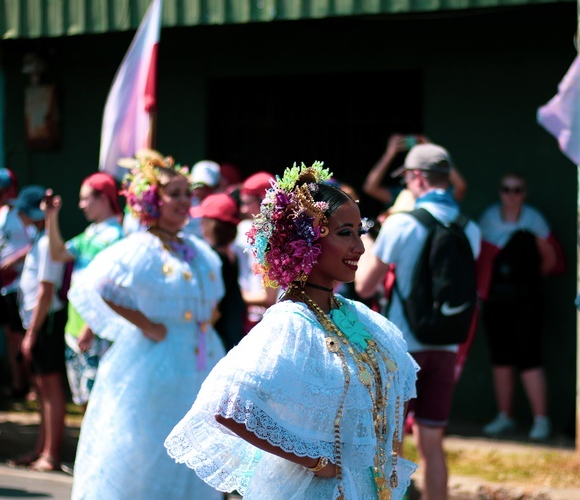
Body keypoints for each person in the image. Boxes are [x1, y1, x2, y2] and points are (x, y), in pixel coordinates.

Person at [166, 162, 419, 499]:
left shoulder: (358, 316)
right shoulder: (290, 322)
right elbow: (226, 406)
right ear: (306, 241)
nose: (359, 246)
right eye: (346, 233)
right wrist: (314, 461)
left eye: (361, 231)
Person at [67, 158, 226, 499]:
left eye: (187, 193)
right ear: (153, 200)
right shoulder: (141, 248)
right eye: (174, 194)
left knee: (198, 441)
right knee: (149, 442)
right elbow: (100, 286)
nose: (185, 201)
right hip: (156, 362)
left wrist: (203, 319)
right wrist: (146, 324)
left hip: (200, 359)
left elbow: (211, 300)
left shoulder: (198, 250)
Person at [355, 144, 481, 500]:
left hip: (403, 348)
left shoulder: (400, 224)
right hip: (446, 345)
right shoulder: (469, 228)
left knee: (391, 445)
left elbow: (365, 285)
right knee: (432, 442)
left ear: (418, 178)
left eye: (408, 178)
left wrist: (365, 237)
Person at [478, 172, 556, 441]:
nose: (511, 195)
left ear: (524, 192)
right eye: (506, 189)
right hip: (496, 300)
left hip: (527, 301)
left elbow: (550, 258)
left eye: (517, 190)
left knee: (529, 357)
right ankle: (505, 416)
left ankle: (541, 421)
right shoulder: (488, 218)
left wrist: (527, 285)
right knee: (501, 358)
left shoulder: (534, 220)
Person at [42, 173, 124, 409]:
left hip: (94, 332)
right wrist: (51, 217)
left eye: (86, 198)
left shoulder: (116, 236)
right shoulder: (91, 232)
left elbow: (112, 287)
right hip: (76, 328)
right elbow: (58, 254)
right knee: (84, 403)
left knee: (97, 405)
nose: (81, 205)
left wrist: (92, 325)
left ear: (104, 198)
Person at [7, 186, 67, 472]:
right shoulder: (40, 239)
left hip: (46, 323)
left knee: (50, 389)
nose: (18, 215)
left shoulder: (46, 243)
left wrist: (31, 332)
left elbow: (45, 291)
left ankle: (51, 454)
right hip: (40, 322)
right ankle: (40, 449)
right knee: (42, 389)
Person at [0, 168, 33, 400]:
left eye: (0, 193)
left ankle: (31, 386)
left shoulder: (23, 212)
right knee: (9, 335)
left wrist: (15, 260)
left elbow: (36, 242)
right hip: (2, 286)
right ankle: (17, 384)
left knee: (22, 336)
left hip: (21, 284)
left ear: (10, 188)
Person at [193, 192, 246, 351]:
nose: (201, 224)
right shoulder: (230, 254)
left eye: (204, 220)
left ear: (213, 224)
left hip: (222, 330)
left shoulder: (216, 258)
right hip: (233, 323)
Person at [363, 133, 468, 209]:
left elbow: (461, 186)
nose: (407, 179)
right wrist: (390, 153)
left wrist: (431, 149)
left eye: (408, 174)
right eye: (405, 175)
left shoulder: (442, 196)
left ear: (418, 176)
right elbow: (370, 187)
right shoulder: (402, 195)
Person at [234, 171, 278, 332]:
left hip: (270, 319)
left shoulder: (278, 236)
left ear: (264, 200)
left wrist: (234, 297)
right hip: (250, 315)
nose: (243, 209)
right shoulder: (244, 229)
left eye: (247, 202)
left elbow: (269, 297)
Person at [183, 160, 221, 238]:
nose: (202, 191)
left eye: (207, 187)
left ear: (216, 187)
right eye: (198, 186)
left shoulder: (221, 208)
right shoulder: (183, 203)